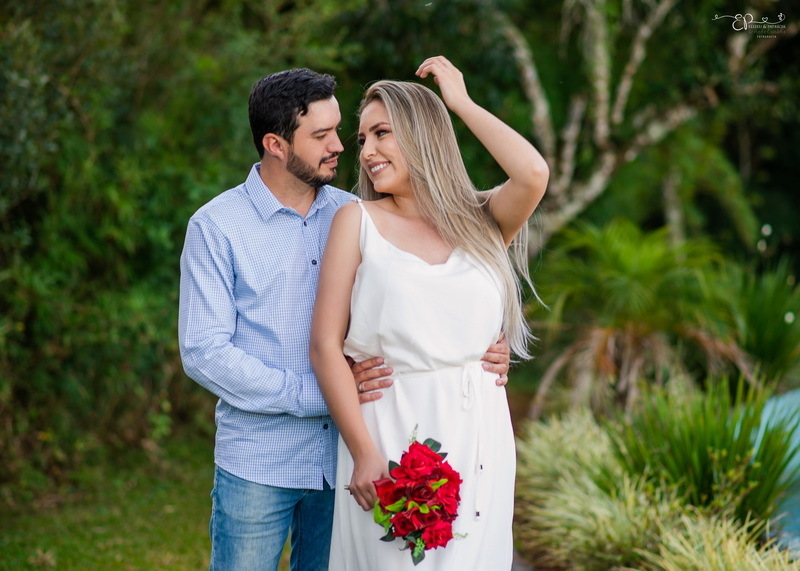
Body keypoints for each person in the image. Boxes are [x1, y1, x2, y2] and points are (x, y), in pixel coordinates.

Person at [178, 66, 512, 570]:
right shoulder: (217, 226)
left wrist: (481, 343)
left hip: (347, 461)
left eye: (339, 131)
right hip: (259, 461)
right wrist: (315, 395)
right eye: (321, 136)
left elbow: (413, 301)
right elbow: (204, 351)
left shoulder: (358, 213)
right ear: (275, 144)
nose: (339, 146)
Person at [309, 55, 549, 570]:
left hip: (479, 432)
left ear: (424, 134)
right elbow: (325, 345)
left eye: (382, 133)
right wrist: (363, 450)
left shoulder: (482, 221)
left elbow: (533, 173)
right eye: (362, 139)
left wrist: (459, 102)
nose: (366, 151)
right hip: (389, 429)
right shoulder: (356, 221)